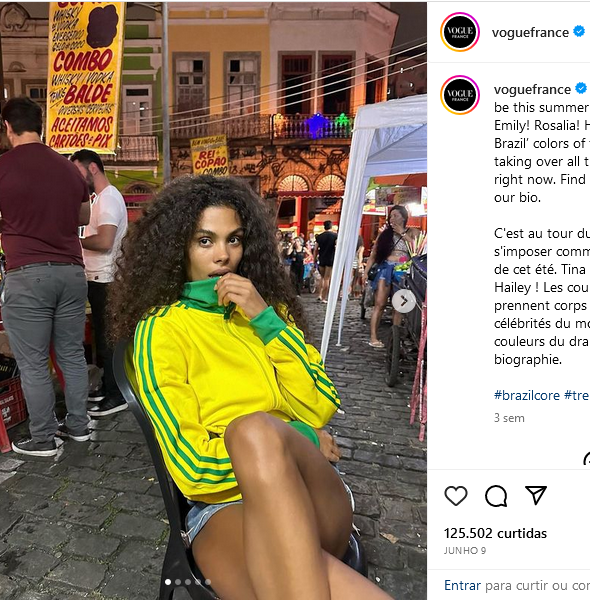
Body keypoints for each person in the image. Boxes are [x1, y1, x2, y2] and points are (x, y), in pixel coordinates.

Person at [109, 175, 391, 600]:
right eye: (205, 240)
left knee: (254, 430)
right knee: (254, 432)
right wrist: (298, 437)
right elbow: (192, 469)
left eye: (234, 240)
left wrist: (265, 320)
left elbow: (320, 406)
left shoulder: (267, 313)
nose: (224, 255)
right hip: (224, 506)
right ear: (177, 246)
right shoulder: (162, 331)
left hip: (314, 494)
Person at [0, 96, 91, 456]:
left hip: (28, 275)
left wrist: (12, 219)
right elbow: (83, 217)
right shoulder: (69, 169)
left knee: (34, 362)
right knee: (72, 355)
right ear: (41, 126)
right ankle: (79, 427)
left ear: (8, 127)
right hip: (72, 273)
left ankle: (43, 438)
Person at [70, 149, 129, 418]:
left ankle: (118, 396)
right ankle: (109, 388)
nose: (76, 178)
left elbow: (105, 242)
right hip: (98, 279)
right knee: (103, 339)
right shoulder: (99, 199)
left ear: (92, 168)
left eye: (78, 171)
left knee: (109, 341)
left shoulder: (109, 198)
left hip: (107, 280)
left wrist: (73, 241)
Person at [363, 205, 418, 348]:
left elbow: (417, 249)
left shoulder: (412, 232)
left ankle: (395, 339)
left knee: (398, 306)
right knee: (380, 304)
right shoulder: (385, 234)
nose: (392, 219)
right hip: (385, 269)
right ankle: (373, 337)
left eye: (396, 216)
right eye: (391, 216)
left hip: (403, 271)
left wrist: (402, 233)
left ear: (404, 217)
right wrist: (366, 272)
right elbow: (374, 254)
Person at [314, 220, 337, 303]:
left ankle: (319, 295)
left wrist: (314, 259)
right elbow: (337, 247)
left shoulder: (319, 236)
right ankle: (324, 297)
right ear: (331, 226)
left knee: (322, 277)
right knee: (327, 278)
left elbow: (315, 249)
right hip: (330, 258)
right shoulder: (335, 236)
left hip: (322, 258)